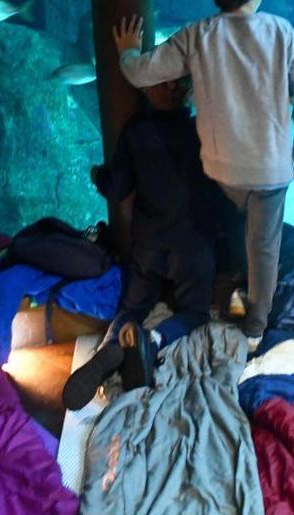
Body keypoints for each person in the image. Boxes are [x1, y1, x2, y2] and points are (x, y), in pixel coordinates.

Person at [112, 0, 294, 348]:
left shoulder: (197, 36)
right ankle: (254, 326)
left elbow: (140, 74)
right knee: (263, 247)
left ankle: (230, 295)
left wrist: (126, 53)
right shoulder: (281, 32)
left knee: (233, 230)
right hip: (270, 173)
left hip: (222, 171)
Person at [62, 78, 215, 410]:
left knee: (132, 308)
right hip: (192, 246)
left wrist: (97, 175)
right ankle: (153, 340)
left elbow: (117, 188)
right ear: (190, 91)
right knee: (194, 312)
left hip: (149, 243)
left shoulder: (135, 131)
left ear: (146, 89)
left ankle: (108, 352)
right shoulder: (203, 129)